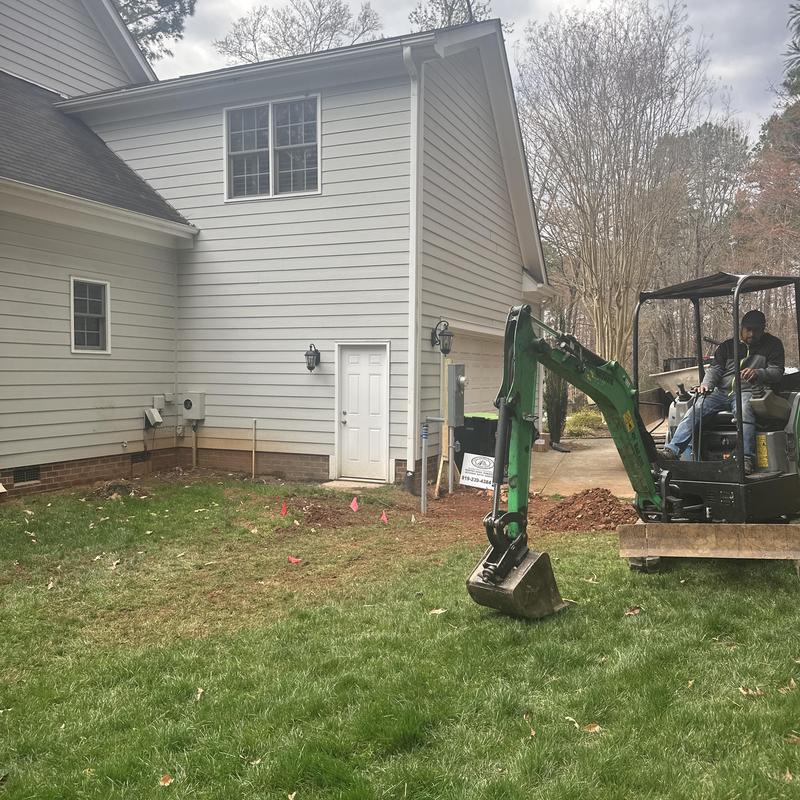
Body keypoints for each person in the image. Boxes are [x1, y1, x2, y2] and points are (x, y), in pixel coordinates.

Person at [658, 310, 785, 474]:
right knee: (696, 408)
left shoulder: (773, 345)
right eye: (748, 329)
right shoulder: (727, 347)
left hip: (748, 391)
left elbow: (777, 371)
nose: (752, 333)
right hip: (721, 392)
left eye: (756, 330)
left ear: (763, 329)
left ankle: (745, 458)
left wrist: (758, 373)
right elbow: (714, 370)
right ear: (741, 328)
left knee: (744, 410)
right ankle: (672, 451)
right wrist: (706, 384)